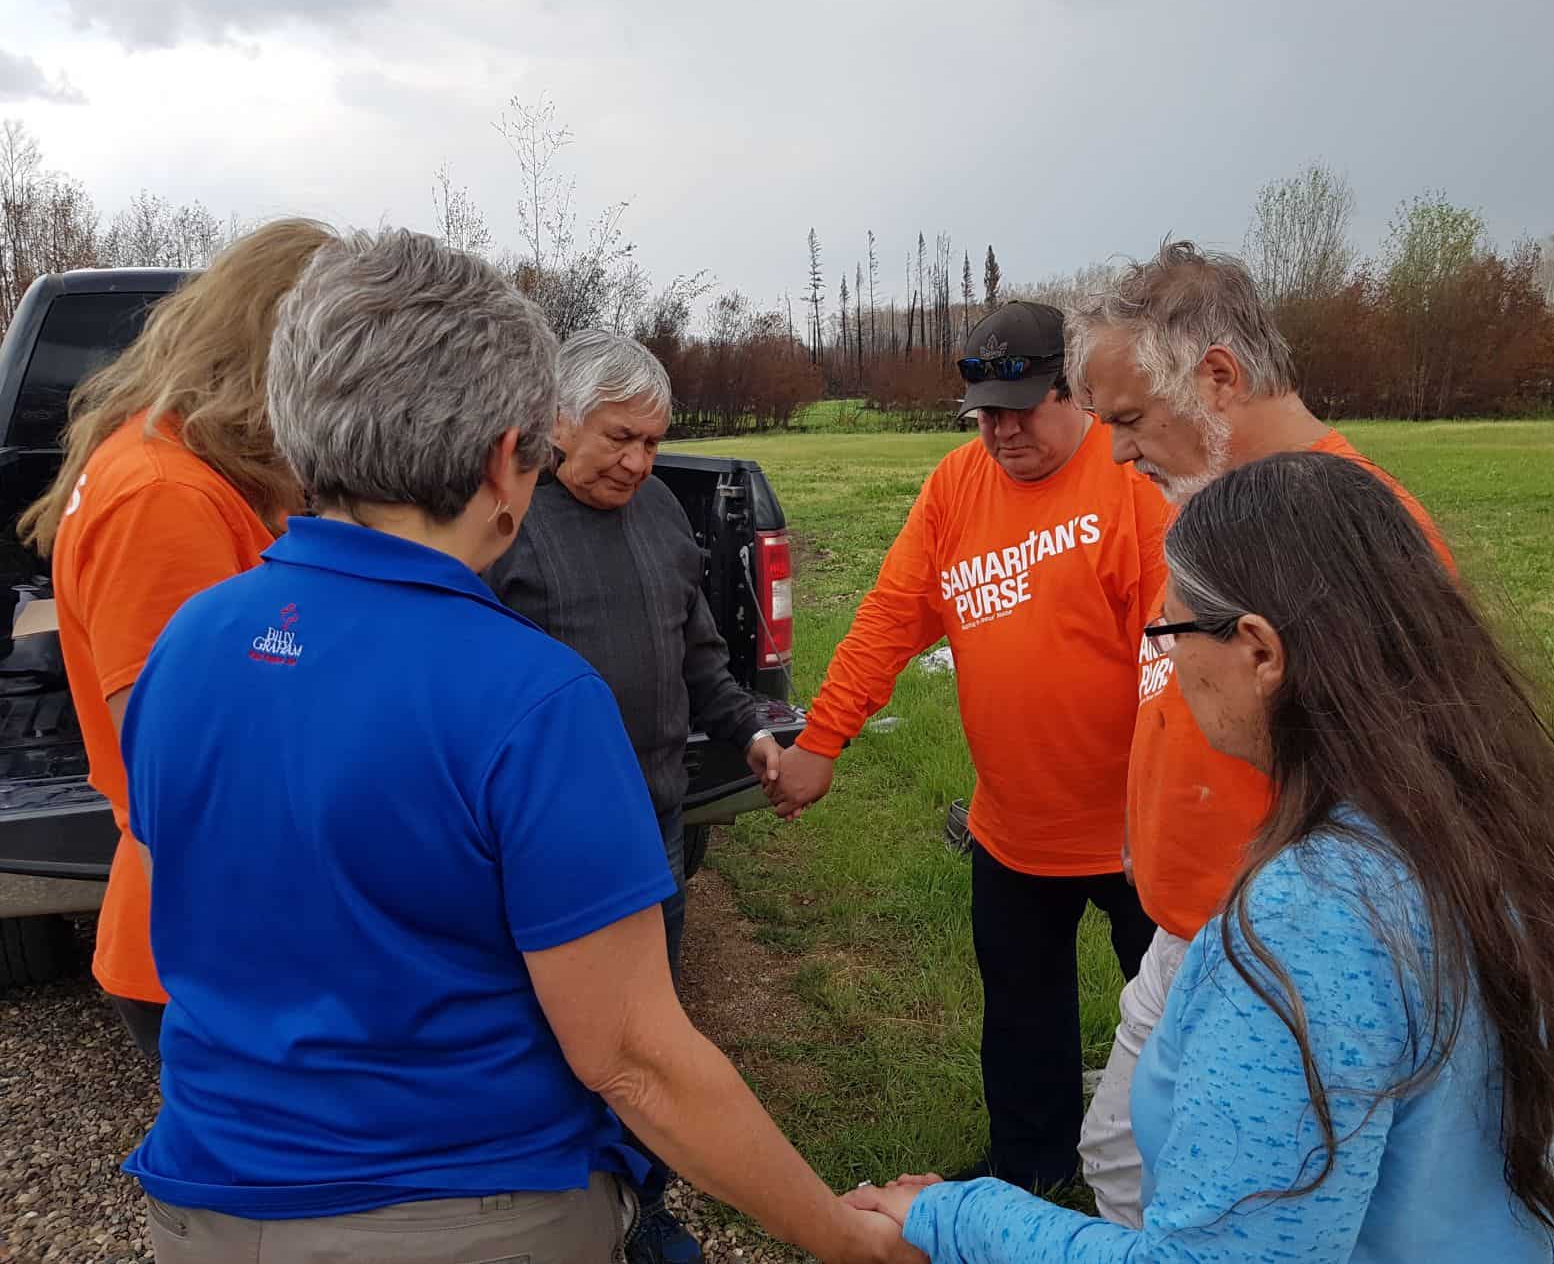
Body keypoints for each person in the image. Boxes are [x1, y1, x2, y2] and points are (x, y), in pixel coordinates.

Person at [118, 229, 914, 1264]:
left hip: (205, 1203)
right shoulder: (529, 697)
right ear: (508, 457)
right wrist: (846, 1238)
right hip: (459, 1212)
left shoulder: (190, 639)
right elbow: (635, 1060)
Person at [851, 451, 1554, 1264]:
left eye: (1167, 632)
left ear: (1260, 651)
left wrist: (951, 1216)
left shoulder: (1314, 921)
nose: (1165, 665)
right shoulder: (1492, 819)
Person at [1065, 242, 1455, 1225]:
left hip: (1280, 963)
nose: (1114, 453)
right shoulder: (1211, 509)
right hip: (1189, 933)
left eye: (1128, 420)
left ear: (1219, 379)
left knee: (1221, 1213)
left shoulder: (1360, 534)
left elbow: (1410, 803)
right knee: (1121, 1159)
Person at [771, 300, 1166, 1193]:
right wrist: (822, 739)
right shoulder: (956, 487)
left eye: (1022, 407)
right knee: (1022, 1020)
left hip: (1141, 832)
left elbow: (1176, 658)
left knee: (1175, 1015)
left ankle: (1179, 1177)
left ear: (1077, 393)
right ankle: (1030, 1171)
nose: (1002, 430)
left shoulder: (1131, 484)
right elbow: (889, 618)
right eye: (985, 413)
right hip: (1015, 828)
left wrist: (1168, 808)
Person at [486, 326, 784, 1264]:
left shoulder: (659, 512)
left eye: (652, 442)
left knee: (649, 1023)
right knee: (551, 1028)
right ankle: (540, 1202)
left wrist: (747, 724)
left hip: (650, 819)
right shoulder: (503, 520)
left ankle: (640, 1201)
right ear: (556, 420)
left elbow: (696, 647)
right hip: (546, 835)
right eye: (619, 437)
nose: (638, 461)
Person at [16, 217, 335, 1060]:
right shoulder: (165, 497)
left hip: (217, 938)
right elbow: (191, 777)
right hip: (216, 951)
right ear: (284, 350)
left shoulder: (191, 473)